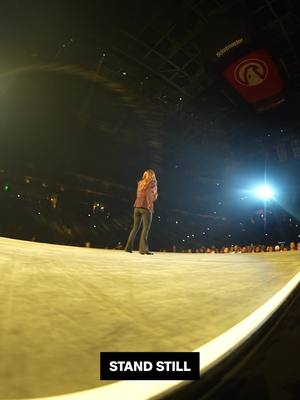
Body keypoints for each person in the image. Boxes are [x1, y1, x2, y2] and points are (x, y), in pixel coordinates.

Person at [124, 169, 158, 255]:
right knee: (145, 229)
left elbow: (139, 195)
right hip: (146, 207)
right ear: (152, 175)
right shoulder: (152, 183)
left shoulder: (140, 183)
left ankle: (128, 248)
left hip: (137, 207)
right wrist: (154, 198)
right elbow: (150, 196)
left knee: (135, 228)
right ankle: (143, 250)